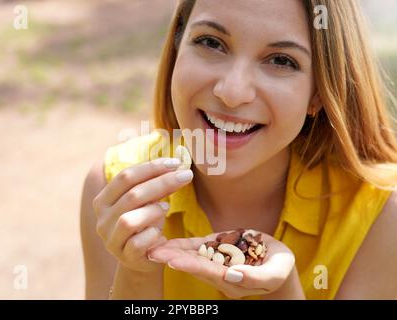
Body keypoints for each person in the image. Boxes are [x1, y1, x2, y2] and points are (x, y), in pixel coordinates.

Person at [81, 0, 397, 299]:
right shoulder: (118, 190)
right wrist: (138, 270)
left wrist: (282, 291)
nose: (232, 92)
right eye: (211, 42)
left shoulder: (381, 215)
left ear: (318, 93)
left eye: (281, 60)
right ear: (178, 46)